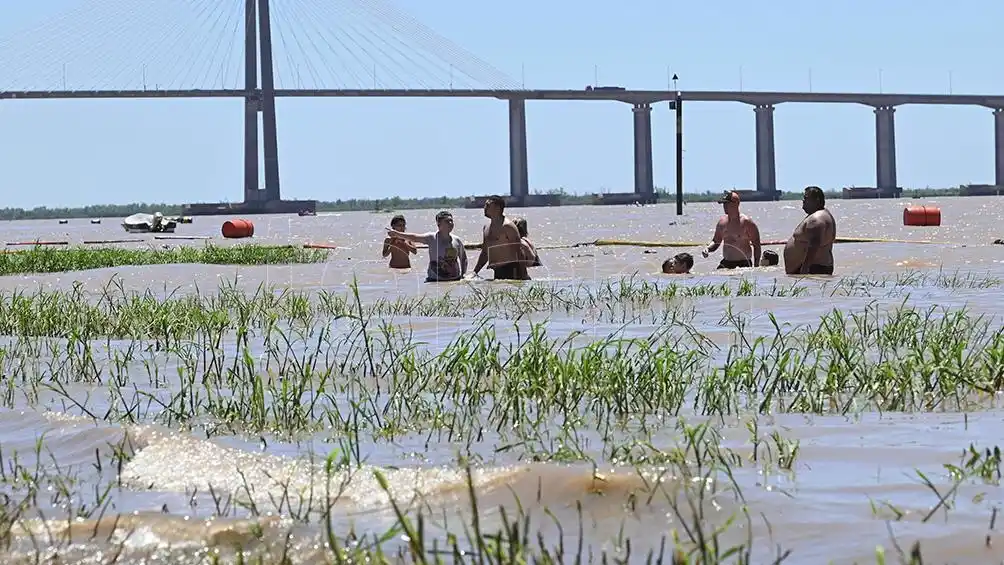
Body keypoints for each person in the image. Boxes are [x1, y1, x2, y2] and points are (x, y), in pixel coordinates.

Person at [386, 210, 468, 282]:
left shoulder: (457, 240)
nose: (450, 223)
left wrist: (463, 275)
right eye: (447, 221)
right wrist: (397, 234)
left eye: (451, 221)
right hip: (434, 281)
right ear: (439, 224)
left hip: (455, 279)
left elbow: (463, 259)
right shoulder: (431, 238)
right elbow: (414, 237)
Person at [472, 196, 529, 280]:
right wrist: (475, 272)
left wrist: (524, 275)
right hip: (497, 271)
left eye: (488, 205)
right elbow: (485, 252)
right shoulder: (486, 227)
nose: (484, 208)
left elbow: (519, 251)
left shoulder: (508, 226)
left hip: (512, 269)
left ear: (498, 208)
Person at [784, 185, 837, 275]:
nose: (803, 200)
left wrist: (805, 268)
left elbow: (814, 243)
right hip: (814, 268)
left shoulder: (816, 219)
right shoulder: (819, 215)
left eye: (806, 198)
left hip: (813, 269)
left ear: (816, 200)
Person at [702, 191, 762, 269]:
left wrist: (756, 266)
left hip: (743, 264)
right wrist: (708, 249)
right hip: (726, 263)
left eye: (727, 204)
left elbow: (756, 245)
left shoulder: (747, 223)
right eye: (723, 204)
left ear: (735, 204)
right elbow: (716, 241)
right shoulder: (722, 223)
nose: (724, 206)